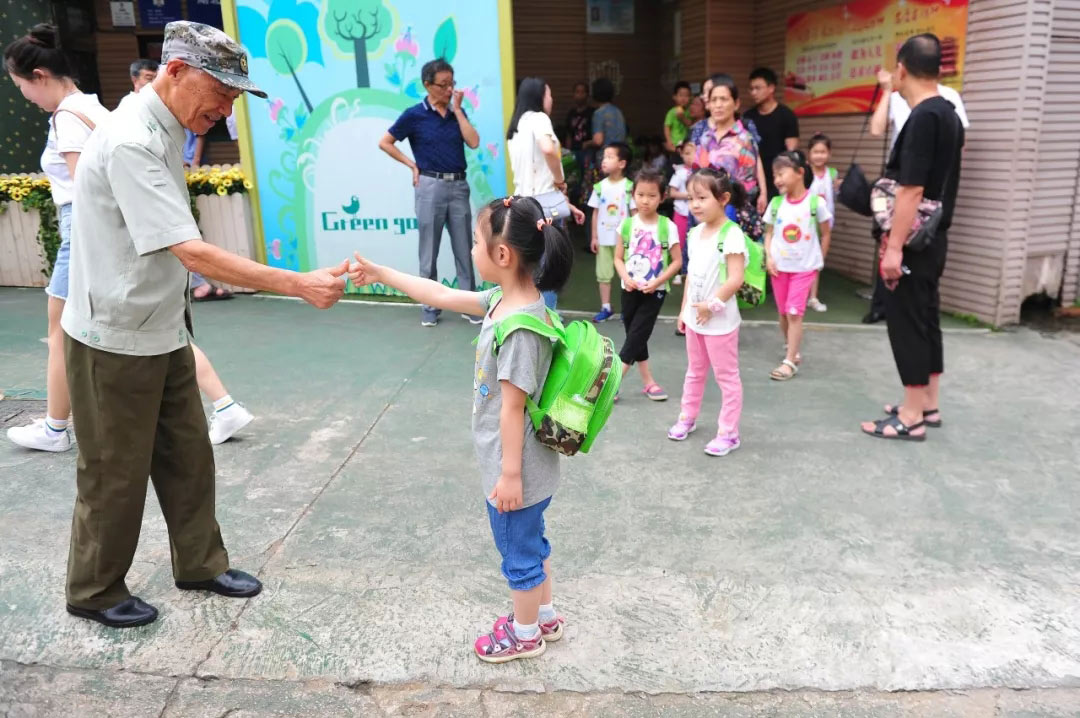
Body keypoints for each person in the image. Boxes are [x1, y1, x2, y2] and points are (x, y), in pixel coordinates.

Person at [59, 20, 348, 628]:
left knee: (188, 455)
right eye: (220, 91)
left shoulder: (167, 126)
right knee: (114, 471)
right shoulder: (134, 140)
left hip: (159, 325)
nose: (226, 107)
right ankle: (94, 588)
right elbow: (189, 250)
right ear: (175, 71)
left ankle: (199, 562)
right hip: (115, 334)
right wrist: (297, 284)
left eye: (235, 96)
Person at [346, 195, 574, 664]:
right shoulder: (504, 302)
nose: (470, 249)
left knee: (519, 553)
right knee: (534, 541)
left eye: (475, 241)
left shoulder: (520, 327)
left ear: (503, 255)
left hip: (517, 471)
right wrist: (384, 274)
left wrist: (509, 476)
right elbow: (442, 295)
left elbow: (513, 409)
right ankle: (545, 616)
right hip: (529, 467)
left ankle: (525, 633)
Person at [3, 24, 110, 453]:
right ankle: (223, 402)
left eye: (21, 87)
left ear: (40, 77)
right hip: (100, 232)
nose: (24, 98)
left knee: (60, 331)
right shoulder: (96, 108)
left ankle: (54, 428)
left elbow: (86, 188)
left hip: (82, 230)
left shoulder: (66, 117)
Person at [861, 34, 963, 442]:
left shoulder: (923, 118)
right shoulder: (950, 113)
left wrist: (895, 247)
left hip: (913, 242)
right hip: (934, 239)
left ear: (901, 68)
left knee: (906, 322)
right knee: (926, 318)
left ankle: (911, 416)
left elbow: (910, 190)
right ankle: (928, 403)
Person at [862, 64, 971, 325]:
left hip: (922, 193)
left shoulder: (944, 103)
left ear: (903, 69)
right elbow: (876, 129)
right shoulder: (901, 98)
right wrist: (887, 92)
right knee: (889, 249)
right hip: (900, 189)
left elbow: (957, 145)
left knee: (910, 261)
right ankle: (883, 305)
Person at [379, 58, 481, 327]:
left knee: (464, 249)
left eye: (452, 84)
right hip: (430, 185)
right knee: (429, 250)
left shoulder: (457, 113)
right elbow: (385, 142)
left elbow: (473, 141)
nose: (449, 90)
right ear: (428, 85)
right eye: (443, 85)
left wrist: (458, 111)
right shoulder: (415, 115)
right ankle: (430, 308)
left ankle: (469, 306)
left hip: (458, 186)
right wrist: (412, 165)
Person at [669, 169, 746, 457]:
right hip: (695, 318)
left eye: (702, 198)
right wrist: (684, 310)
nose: (695, 205)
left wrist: (710, 306)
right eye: (691, 198)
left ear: (723, 198)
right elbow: (690, 275)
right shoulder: (694, 232)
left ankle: (729, 433)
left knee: (727, 378)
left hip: (720, 322)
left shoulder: (732, 234)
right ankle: (687, 418)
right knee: (694, 372)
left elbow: (735, 279)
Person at [507, 76, 586, 309]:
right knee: (550, 265)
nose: (552, 99)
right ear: (539, 97)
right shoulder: (540, 119)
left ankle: (528, 312)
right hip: (545, 206)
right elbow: (548, 150)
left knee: (529, 264)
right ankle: (547, 318)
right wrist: (561, 182)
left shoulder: (517, 125)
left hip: (522, 204)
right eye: (549, 94)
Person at [613, 168, 682, 401]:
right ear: (633, 195)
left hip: (655, 292)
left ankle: (611, 385)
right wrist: (626, 277)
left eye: (652, 195)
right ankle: (649, 382)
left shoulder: (668, 226)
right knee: (636, 336)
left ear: (662, 197)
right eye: (640, 194)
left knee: (636, 335)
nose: (645, 200)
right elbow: (617, 257)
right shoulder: (626, 225)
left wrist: (657, 282)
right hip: (629, 290)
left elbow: (677, 262)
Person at [763, 151, 832, 381]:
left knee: (794, 312)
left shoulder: (816, 203)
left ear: (800, 172)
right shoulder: (775, 204)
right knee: (783, 313)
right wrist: (769, 258)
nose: (777, 179)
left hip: (804, 268)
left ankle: (790, 361)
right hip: (779, 267)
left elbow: (825, 233)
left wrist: (818, 260)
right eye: (774, 175)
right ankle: (792, 348)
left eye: (781, 173)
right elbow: (769, 233)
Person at [692, 74, 768, 217]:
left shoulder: (744, 139)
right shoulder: (705, 138)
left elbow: (749, 187)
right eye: (714, 100)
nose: (718, 105)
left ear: (736, 103)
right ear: (708, 105)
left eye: (724, 99)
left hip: (734, 215)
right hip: (705, 214)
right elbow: (696, 175)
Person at [587, 142, 635, 322]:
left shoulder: (629, 187)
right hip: (604, 239)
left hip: (625, 241)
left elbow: (635, 213)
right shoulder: (599, 187)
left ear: (622, 163)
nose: (604, 160)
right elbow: (595, 213)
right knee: (603, 275)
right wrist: (594, 237)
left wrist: (636, 237)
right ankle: (606, 307)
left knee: (628, 274)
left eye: (609, 157)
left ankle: (627, 308)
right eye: (603, 157)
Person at [744, 67, 800, 200]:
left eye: (758, 88)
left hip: (778, 180)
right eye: (751, 89)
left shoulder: (786, 115)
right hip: (753, 181)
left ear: (771, 88)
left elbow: (791, 153)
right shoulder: (747, 117)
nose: (753, 93)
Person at [806, 132, 838, 312]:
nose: (819, 155)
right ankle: (802, 295)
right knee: (803, 260)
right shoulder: (803, 173)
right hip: (805, 223)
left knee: (817, 260)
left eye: (823, 152)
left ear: (829, 154)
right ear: (809, 153)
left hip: (825, 222)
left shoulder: (832, 174)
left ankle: (813, 297)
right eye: (815, 152)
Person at [668, 141, 695, 285]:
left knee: (694, 243)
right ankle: (678, 272)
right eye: (686, 153)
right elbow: (671, 192)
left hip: (696, 215)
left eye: (693, 153)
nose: (690, 157)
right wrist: (687, 196)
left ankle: (691, 271)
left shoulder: (701, 172)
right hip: (681, 214)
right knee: (679, 242)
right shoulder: (679, 172)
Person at [663, 80, 693, 153]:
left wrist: (682, 118)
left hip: (687, 145)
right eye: (680, 95)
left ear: (690, 98)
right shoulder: (671, 112)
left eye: (686, 96)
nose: (683, 98)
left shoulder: (690, 111)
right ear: (674, 97)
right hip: (675, 144)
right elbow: (667, 127)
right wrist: (669, 141)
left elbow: (691, 125)